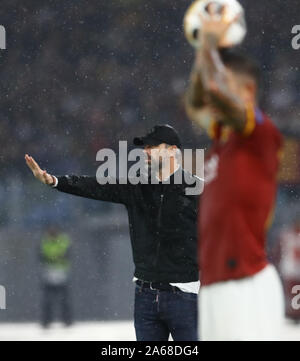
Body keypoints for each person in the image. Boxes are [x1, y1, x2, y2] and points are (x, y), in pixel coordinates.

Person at [25, 124, 201, 341]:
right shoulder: (137, 186)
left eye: (153, 147)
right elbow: (95, 185)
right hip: (145, 296)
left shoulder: (198, 190)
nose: (146, 151)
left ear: (173, 150)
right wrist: (55, 181)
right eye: (145, 147)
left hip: (185, 295)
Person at [185, 7, 284, 340]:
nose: (215, 91)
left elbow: (216, 96)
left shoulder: (260, 135)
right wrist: (205, 49)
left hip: (245, 284)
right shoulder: (219, 144)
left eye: (226, 83)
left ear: (249, 93)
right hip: (214, 286)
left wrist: (210, 47)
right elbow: (196, 100)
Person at [40, 227, 72, 328]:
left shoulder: (63, 241)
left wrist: (53, 258)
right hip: (49, 272)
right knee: (48, 299)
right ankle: (46, 321)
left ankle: (67, 320)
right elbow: (42, 256)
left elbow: (67, 254)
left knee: (64, 299)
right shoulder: (45, 241)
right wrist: (56, 257)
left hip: (61, 272)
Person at [273, 218, 300, 323]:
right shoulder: (288, 234)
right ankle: (293, 314)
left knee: (294, 293)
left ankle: (294, 313)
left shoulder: (288, 235)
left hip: (291, 270)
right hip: (291, 270)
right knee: (293, 294)